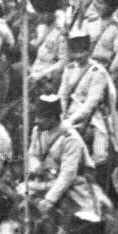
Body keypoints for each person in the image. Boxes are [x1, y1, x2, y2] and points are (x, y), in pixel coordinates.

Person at [57, 29, 118, 189]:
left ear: (89, 51)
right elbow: (63, 94)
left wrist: (71, 120)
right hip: (68, 114)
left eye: (82, 51)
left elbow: (91, 103)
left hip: (93, 117)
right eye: (75, 52)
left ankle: (102, 186)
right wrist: (62, 113)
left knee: (100, 154)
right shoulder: (69, 68)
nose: (78, 56)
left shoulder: (97, 72)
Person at [24, 93, 96, 223]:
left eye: (41, 117)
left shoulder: (70, 138)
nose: (36, 121)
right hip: (45, 180)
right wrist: (35, 166)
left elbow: (68, 174)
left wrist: (50, 199)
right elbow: (32, 154)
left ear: (52, 117)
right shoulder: (38, 130)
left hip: (71, 186)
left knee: (82, 221)